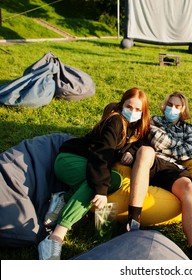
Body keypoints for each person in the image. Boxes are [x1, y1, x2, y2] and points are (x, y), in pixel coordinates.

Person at [38, 87, 151, 260]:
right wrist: (101, 191)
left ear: (143, 112)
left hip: (86, 164)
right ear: (122, 105)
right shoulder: (116, 121)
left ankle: (64, 198)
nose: (133, 112)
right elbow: (101, 156)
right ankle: (55, 237)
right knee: (105, 181)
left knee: (111, 179)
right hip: (69, 160)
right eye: (129, 107)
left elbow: (142, 140)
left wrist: (133, 151)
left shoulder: (134, 127)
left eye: (138, 109)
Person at [127, 92, 192, 260]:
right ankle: (132, 224)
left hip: (172, 166)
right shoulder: (154, 120)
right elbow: (155, 139)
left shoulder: (188, 129)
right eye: (170, 105)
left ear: (183, 109)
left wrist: (165, 145)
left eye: (177, 106)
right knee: (146, 150)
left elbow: (191, 151)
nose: (172, 109)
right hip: (150, 160)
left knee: (188, 187)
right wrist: (176, 147)